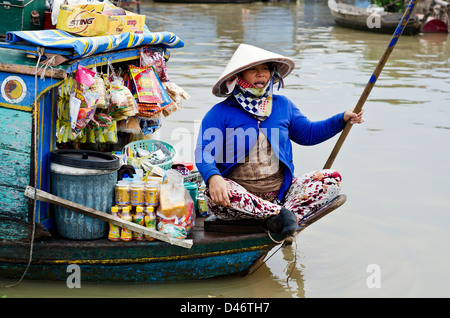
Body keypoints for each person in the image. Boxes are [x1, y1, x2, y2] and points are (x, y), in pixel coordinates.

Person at [194, 44, 364, 238]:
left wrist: (341, 119)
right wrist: (213, 177)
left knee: (331, 179)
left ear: (272, 73)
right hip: (241, 199)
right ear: (238, 76)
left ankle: (278, 217)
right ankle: (280, 217)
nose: (261, 74)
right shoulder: (220, 113)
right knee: (214, 195)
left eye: (265, 69)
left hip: (280, 196)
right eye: (253, 69)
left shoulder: (283, 105)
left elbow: (308, 134)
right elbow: (203, 151)